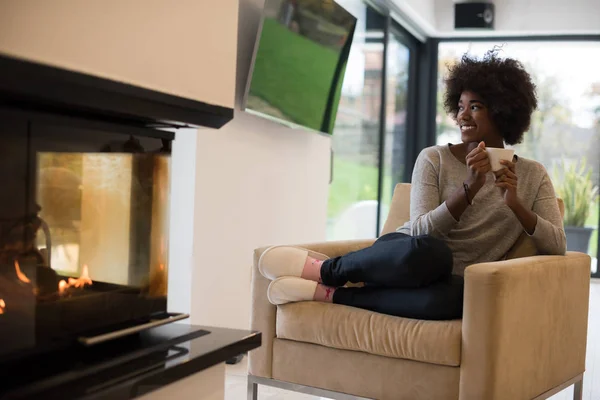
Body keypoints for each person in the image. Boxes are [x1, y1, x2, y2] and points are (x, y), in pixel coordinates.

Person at [258, 50, 567, 320]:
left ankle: (329, 294)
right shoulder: (434, 158)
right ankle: (326, 271)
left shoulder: (532, 175)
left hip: (450, 282)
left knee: (454, 299)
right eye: (460, 105)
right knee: (433, 254)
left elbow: (557, 245)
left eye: (475, 106)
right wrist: (469, 188)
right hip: (407, 256)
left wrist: (515, 204)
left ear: (502, 111)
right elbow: (421, 232)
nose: (462, 115)